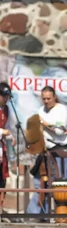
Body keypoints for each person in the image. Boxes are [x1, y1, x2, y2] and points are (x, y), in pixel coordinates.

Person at [38, 86, 67, 179]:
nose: (46, 101)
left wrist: (43, 122)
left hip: (61, 151)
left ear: (54, 97)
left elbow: (60, 129)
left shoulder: (62, 110)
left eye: (48, 98)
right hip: (46, 150)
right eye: (44, 99)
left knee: (61, 180)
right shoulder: (41, 110)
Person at [0, 83, 15, 211]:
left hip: (1, 149)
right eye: (4, 96)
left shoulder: (6, 109)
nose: (6, 99)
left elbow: (7, 128)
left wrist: (11, 137)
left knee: (2, 179)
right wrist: (2, 132)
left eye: (7, 96)